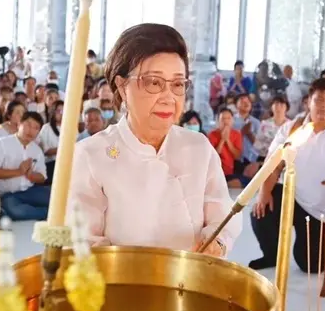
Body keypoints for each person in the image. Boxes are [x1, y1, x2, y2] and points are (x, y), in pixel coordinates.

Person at [67, 23, 240, 255]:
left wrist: (216, 245)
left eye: (177, 84)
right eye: (153, 83)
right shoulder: (91, 155)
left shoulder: (198, 147)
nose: (168, 97)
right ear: (121, 86)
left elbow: (222, 217)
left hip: (193, 282)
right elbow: (84, 243)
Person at [250, 77, 325, 271]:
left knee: (310, 265)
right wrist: (264, 193)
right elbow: (273, 164)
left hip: (322, 212)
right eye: (319, 100)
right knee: (260, 211)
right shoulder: (291, 129)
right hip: (291, 197)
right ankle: (270, 255)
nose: (324, 106)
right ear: (308, 102)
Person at [0, 111, 50, 221]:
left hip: (30, 191)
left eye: (36, 128)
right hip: (8, 194)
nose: (31, 130)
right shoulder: (1, 144)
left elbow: (42, 177)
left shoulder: (37, 150)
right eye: (28, 125)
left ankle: (44, 211)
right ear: (19, 124)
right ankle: (48, 213)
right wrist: (19, 171)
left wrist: (31, 175)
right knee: (16, 211)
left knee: (56, 199)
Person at [208, 108, 244, 186]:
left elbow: (237, 156)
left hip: (229, 172)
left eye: (228, 118)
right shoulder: (212, 134)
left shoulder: (237, 134)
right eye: (223, 119)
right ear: (218, 121)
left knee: (236, 183)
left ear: (232, 120)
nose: (226, 121)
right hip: (215, 171)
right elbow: (212, 156)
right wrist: (222, 140)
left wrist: (227, 140)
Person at [254, 95, 290, 159]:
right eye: (276, 103)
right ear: (271, 107)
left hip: (285, 158)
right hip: (266, 157)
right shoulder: (264, 124)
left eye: (281, 103)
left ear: (287, 107)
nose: (278, 106)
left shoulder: (291, 124)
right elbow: (257, 143)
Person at [38, 100, 63, 180]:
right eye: (59, 111)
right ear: (53, 112)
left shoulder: (72, 128)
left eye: (64, 111)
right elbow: (46, 151)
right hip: (52, 164)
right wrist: (64, 149)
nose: (62, 114)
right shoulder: (46, 128)